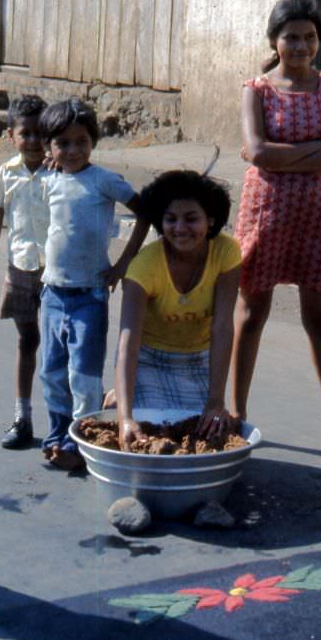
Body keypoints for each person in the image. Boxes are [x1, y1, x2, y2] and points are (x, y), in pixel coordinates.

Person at [231, 0, 321, 458]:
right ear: (275, 40)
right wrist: (315, 149)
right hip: (265, 213)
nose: (301, 45)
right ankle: (235, 412)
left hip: (316, 215)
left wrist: (283, 154)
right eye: (291, 36)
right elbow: (257, 151)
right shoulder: (257, 89)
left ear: (319, 41)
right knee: (251, 316)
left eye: (310, 37)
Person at [38, 98, 148, 469]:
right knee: (52, 373)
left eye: (81, 141)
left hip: (90, 295)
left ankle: (80, 443)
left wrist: (122, 263)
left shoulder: (103, 181)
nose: (73, 150)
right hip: (52, 292)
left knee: (83, 375)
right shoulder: (48, 179)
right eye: (63, 143)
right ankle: (57, 434)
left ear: (93, 142)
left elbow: (144, 211)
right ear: (48, 147)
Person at [114, 170, 241, 450]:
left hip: (198, 360)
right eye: (171, 219)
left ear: (210, 220)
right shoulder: (143, 268)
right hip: (149, 358)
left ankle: (124, 394)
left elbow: (222, 327)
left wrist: (216, 400)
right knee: (154, 433)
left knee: (203, 432)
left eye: (191, 218)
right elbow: (128, 344)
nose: (180, 228)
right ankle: (123, 395)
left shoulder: (227, 253)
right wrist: (125, 418)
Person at [0, 95, 49, 450]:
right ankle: (23, 417)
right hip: (20, 268)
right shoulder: (6, 173)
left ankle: (69, 423)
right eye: (25, 134)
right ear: (11, 135)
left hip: (57, 272)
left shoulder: (59, 170)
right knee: (27, 341)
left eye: (40, 134)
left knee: (62, 349)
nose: (33, 141)